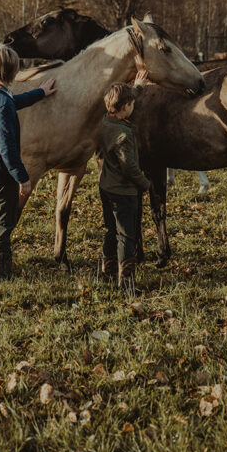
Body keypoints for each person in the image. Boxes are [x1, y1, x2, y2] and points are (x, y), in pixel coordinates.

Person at [0, 44, 56, 282]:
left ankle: (0, 260)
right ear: (12, 73)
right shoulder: (2, 105)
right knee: (4, 224)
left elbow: (14, 102)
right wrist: (23, 178)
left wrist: (40, 92)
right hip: (2, 178)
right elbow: (8, 151)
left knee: (0, 222)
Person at [98, 71, 150, 292]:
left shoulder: (105, 120)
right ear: (126, 107)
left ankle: (107, 270)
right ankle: (126, 282)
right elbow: (129, 167)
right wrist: (145, 184)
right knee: (126, 235)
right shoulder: (123, 135)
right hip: (124, 192)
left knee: (111, 229)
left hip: (106, 187)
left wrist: (137, 87)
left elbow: (122, 101)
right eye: (131, 103)